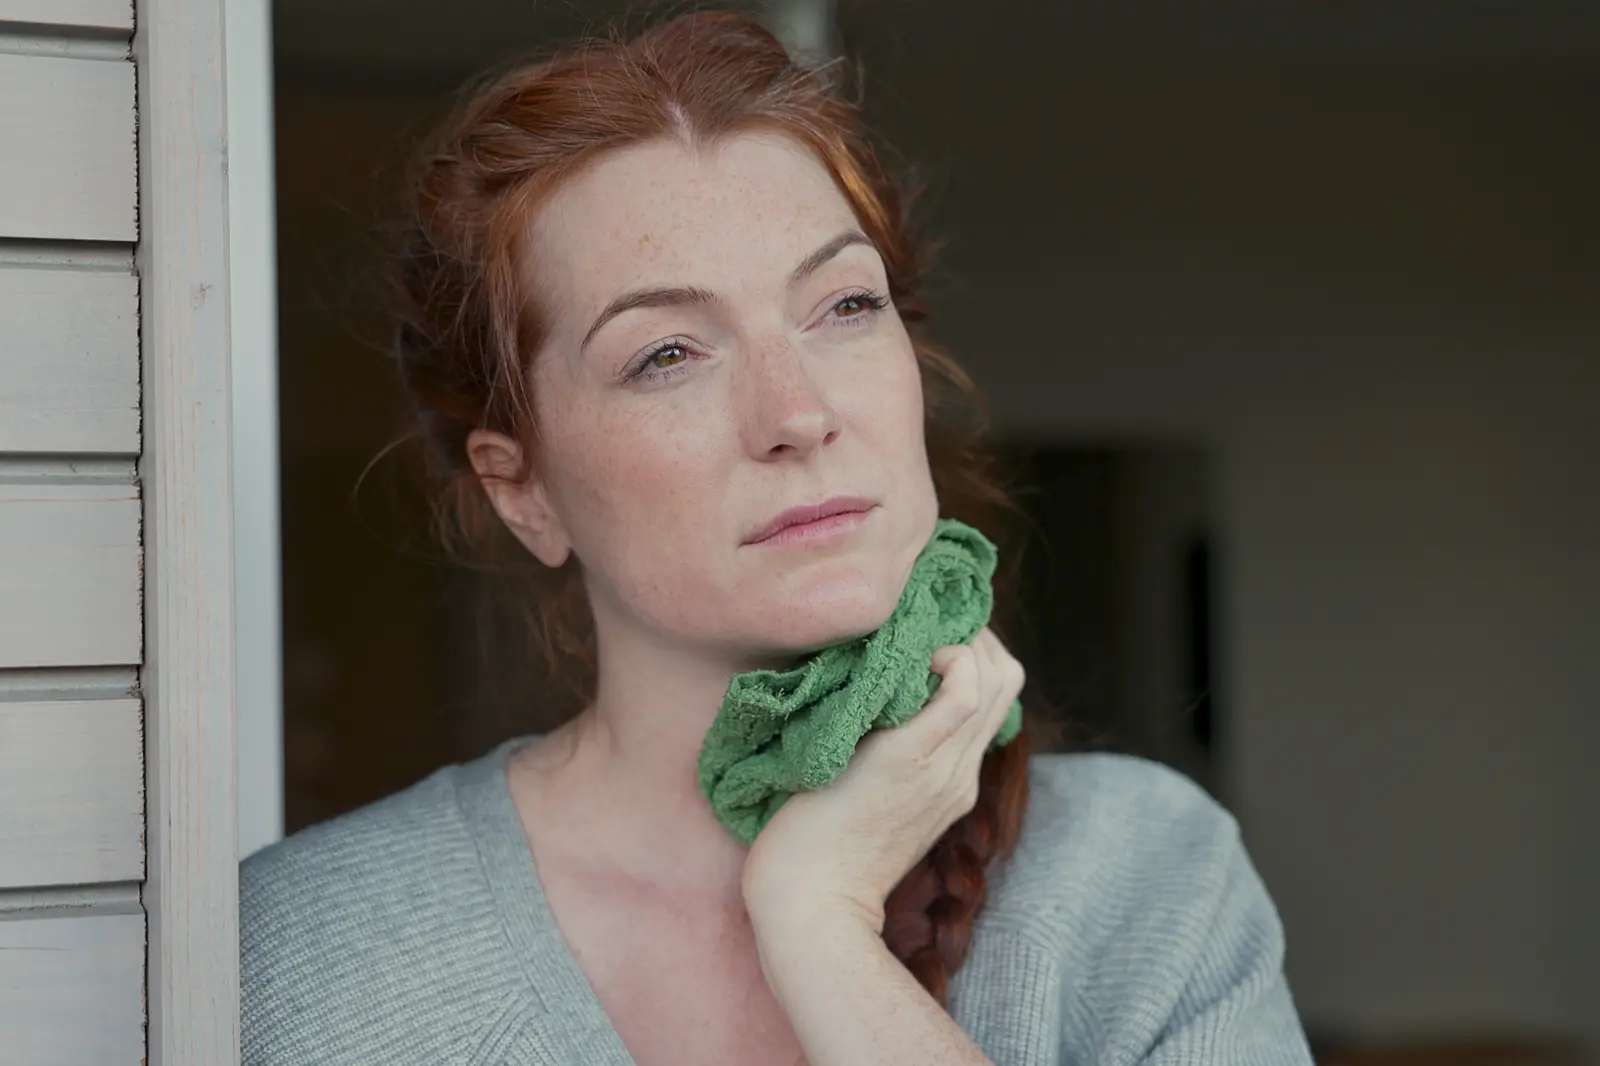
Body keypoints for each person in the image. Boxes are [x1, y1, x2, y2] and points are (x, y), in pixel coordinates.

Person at [241, 11, 1314, 1066]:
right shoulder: (309, 961)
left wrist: (817, 921)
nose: (797, 413)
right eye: (666, 354)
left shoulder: (1146, 883)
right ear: (524, 493)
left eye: (843, 306)